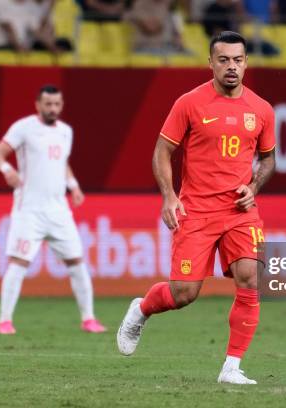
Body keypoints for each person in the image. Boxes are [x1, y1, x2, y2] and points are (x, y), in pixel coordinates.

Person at [116, 31, 276, 385]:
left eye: (237, 60)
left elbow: (268, 160)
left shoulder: (262, 109)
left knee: (250, 276)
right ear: (211, 63)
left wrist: (253, 186)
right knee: (183, 294)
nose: (231, 67)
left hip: (240, 212)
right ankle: (141, 309)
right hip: (197, 212)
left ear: (246, 63)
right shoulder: (189, 103)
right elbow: (162, 151)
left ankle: (231, 368)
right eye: (224, 60)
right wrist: (169, 196)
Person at [0, 85, 106, 335]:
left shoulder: (66, 132)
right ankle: (4, 321)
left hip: (58, 210)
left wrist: (73, 186)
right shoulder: (24, 127)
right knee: (19, 262)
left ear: (61, 106)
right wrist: (7, 170)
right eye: (48, 104)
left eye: (57, 104)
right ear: (37, 104)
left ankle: (88, 319)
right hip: (29, 209)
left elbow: (62, 163)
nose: (53, 109)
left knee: (77, 261)